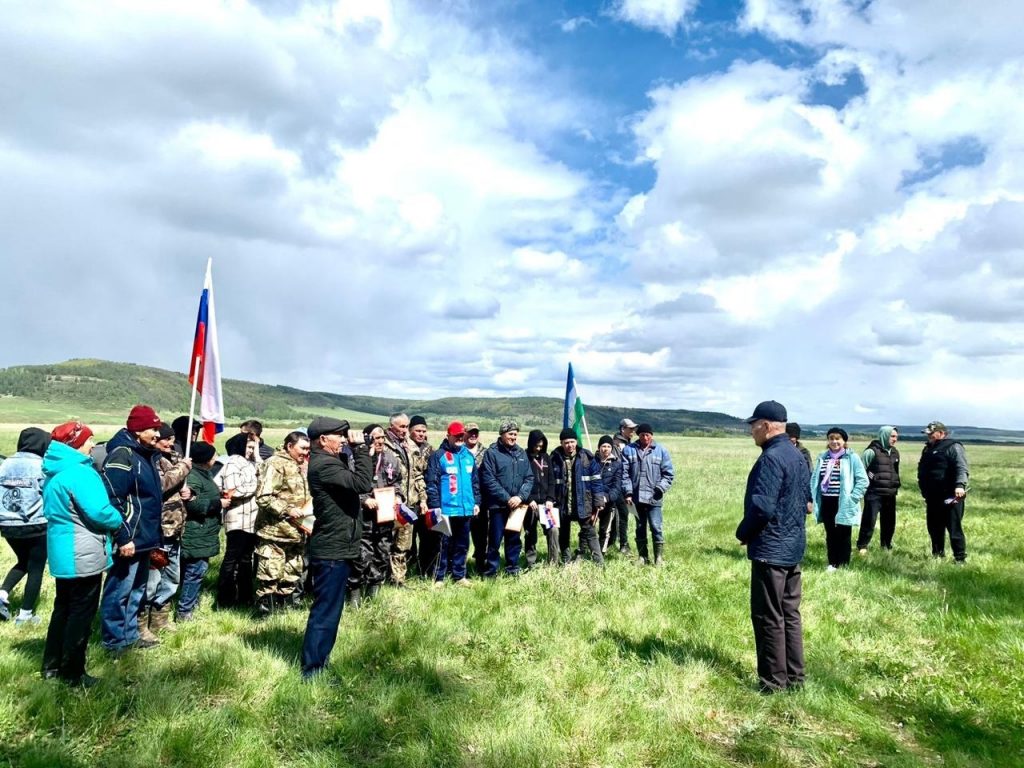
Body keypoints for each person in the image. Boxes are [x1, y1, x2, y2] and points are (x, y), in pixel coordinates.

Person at [41, 421, 124, 687]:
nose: (92, 445)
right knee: (81, 613)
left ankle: (51, 666)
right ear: (76, 444)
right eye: (88, 440)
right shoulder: (81, 473)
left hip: (62, 551)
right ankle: (73, 673)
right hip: (83, 552)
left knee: (62, 609)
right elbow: (99, 512)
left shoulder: (54, 471)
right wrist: (118, 518)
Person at [736, 400, 810, 694]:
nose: (751, 431)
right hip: (792, 547)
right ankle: (795, 678)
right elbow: (805, 501)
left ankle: (772, 683)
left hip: (771, 549)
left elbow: (763, 507)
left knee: (768, 616)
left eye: (753, 425)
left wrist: (744, 532)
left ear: (766, 426)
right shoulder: (796, 455)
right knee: (789, 614)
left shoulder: (771, 458)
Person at [301, 417, 372, 681]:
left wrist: (350, 451)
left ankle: (319, 661)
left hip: (338, 547)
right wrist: (361, 449)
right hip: (332, 550)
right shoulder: (323, 465)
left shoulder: (329, 461)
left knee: (330, 609)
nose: (343, 439)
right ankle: (313, 670)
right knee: (326, 612)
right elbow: (362, 483)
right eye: (338, 435)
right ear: (323, 439)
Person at [99, 404, 165, 655]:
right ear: (137, 430)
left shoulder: (145, 454)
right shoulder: (122, 455)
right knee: (119, 589)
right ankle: (114, 641)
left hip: (145, 535)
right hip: (130, 537)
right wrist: (124, 535)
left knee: (137, 589)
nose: (157, 434)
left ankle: (130, 635)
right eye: (153, 429)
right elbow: (113, 498)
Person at [140, 423, 192, 640]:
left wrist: (190, 493)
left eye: (172, 439)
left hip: (175, 528)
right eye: (166, 439)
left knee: (171, 577)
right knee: (151, 580)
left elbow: (177, 487)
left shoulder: (173, 457)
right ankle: (141, 624)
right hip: (158, 528)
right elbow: (160, 485)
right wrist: (183, 469)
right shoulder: (150, 459)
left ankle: (160, 619)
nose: (171, 443)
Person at [254, 431, 311, 615]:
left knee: (291, 574)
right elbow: (263, 497)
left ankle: (283, 614)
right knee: (270, 575)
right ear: (289, 446)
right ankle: (265, 616)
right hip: (275, 532)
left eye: (308, 449)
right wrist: (287, 509)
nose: (306, 452)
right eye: (303, 448)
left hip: (295, 533)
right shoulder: (274, 464)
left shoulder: (298, 465)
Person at [347, 424, 402, 607]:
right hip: (364, 517)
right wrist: (363, 499)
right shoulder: (358, 459)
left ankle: (374, 591)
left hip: (384, 516)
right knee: (362, 555)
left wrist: (398, 497)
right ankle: (355, 592)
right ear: (367, 439)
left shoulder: (391, 459)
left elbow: (397, 482)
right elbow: (350, 484)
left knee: (383, 553)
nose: (380, 441)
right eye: (375, 438)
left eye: (382, 438)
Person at [0, 427, 50, 625]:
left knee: (23, 561)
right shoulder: (42, 465)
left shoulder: (5, 463)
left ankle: (2, 594)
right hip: (35, 524)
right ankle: (26, 615)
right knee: (36, 567)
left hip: (7, 525)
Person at [177, 442, 229, 621]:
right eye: (214, 456)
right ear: (206, 459)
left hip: (204, 532)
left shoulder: (203, 474)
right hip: (196, 533)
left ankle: (192, 604)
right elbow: (193, 505)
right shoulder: (193, 477)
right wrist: (218, 503)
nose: (216, 458)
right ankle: (185, 611)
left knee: (195, 571)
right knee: (194, 572)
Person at [424, 421, 480, 585]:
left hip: (465, 509)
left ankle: (459, 575)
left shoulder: (468, 456)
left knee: (462, 544)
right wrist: (435, 506)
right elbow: (432, 483)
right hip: (445, 510)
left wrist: (476, 502)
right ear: (448, 436)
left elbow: (475, 483)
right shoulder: (438, 456)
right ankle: (439, 577)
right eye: (456, 436)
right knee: (442, 545)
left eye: (462, 435)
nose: (459, 438)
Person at [480, 420, 533, 577]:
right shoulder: (492, 453)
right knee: (495, 540)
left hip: (517, 506)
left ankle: (512, 569)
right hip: (498, 506)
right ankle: (491, 571)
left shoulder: (521, 453)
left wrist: (520, 497)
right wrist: (507, 498)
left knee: (514, 539)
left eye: (515, 434)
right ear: (502, 434)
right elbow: (489, 479)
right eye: (510, 434)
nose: (513, 437)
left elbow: (529, 478)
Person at [810, 427, 868, 570]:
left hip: (844, 501)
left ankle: (843, 564)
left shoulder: (851, 457)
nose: (834, 442)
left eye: (838, 439)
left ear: (844, 441)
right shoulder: (823, 457)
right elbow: (815, 478)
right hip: (827, 500)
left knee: (844, 533)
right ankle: (832, 563)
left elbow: (863, 480)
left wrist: (853, 498)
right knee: (830, 533)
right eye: (831, 438)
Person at [216, 432, 262, 608]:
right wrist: (257, 486)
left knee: (245, 559)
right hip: (237, 518)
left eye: (253, 447)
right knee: (232, 558)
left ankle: (244, 596)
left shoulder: (248, 463)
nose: (250, 450)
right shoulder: (233, 463)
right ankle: (225, 597)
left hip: (250, 519)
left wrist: (257, 455)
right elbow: (233, 491)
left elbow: (263, 470)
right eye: (249, 447)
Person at [550, 428, 606, 565]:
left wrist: (599, 501)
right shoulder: (554, 458)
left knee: (590, 531)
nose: (570, 445)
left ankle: (599, 562)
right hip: (562, 502)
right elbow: (550, 482)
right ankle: (566, 559)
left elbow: (596, 481)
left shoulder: (587, 457)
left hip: (583, 502)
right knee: (563, 532)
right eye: (566, 442)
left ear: (576, 442)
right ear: (561, 443)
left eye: (572, 442)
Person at [622, 423, 675, 566]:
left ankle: (659, 558)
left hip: (654, 497)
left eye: (647, 435)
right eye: (642, 435)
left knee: (656, 527)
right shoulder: (628, 450)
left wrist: (660, 488)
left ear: (652, 435)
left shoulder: (661, 451)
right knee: (640, 528)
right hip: (636, 497)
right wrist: (628, 492)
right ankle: (642, 557)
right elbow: (624, 474)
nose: (645, 437)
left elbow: (668, 474)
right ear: (638, 435)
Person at [917, 421, 969, 563]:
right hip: (933, 496)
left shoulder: (953, 447)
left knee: (954, 528)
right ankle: (938, 555)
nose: (929, 436)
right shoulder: (927, 449)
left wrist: (960, 485)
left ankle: (960, 558)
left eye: (931, 434)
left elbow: (961, 467)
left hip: (951, 495)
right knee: (934, 527)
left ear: (941, 433)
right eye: (927, 434)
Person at [382, 413, 421, 587]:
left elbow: (417, 473)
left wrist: (422, 497)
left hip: (408, 503)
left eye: (407, 426)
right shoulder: (383, 445)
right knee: (385, 542)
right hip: (389, 502)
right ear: (392, 427)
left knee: (403, 544)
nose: (405, 430)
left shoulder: (409, 445)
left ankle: (398, 579)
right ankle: (380, 578)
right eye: (402, 427)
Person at [857, 426, 900, 554]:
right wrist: (870, 480)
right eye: (892, 436)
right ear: (884, 436)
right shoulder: (871, 452)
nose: (895, 439)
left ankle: (886, 546)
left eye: (896, 437)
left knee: (889, 522)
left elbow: (895, 471)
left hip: (890, 493)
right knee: (869, 520)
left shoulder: (895, 452)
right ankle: (862, 546)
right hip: (874, 493)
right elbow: (860, 471)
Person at [408, 415, 438, 577]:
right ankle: (408, 569)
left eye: (424, 431)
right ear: (410, 431)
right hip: (409, 500)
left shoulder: (430, 450)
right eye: (418, 431)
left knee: (428, 537)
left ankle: (426, 570)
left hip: (428, 501)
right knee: (408, 538)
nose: (421, 434)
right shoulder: (404, 448)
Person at [523, 429, 558, 567]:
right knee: (530, 533)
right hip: (530, 504)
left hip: (545, 504)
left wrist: (550, 498)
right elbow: (521, 481)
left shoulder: (546, 457)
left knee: (553, 530)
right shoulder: (524, 457)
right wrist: (528, 498)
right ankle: (530, 562)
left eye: (541, 446)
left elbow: (551, 481)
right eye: (536, 446)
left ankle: (553, 562)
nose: (538, 448)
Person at [596, 435, 626, 555]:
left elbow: (616, 486)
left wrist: (607, 497)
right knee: (589, 528)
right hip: (593, 500)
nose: (606, 449)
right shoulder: (592, 462)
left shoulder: (617, 465)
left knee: (605, 530)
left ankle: (600, 553)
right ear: (599, 447)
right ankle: (585, 551)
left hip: (608, 502)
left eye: (608, 446)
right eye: (603, 446)